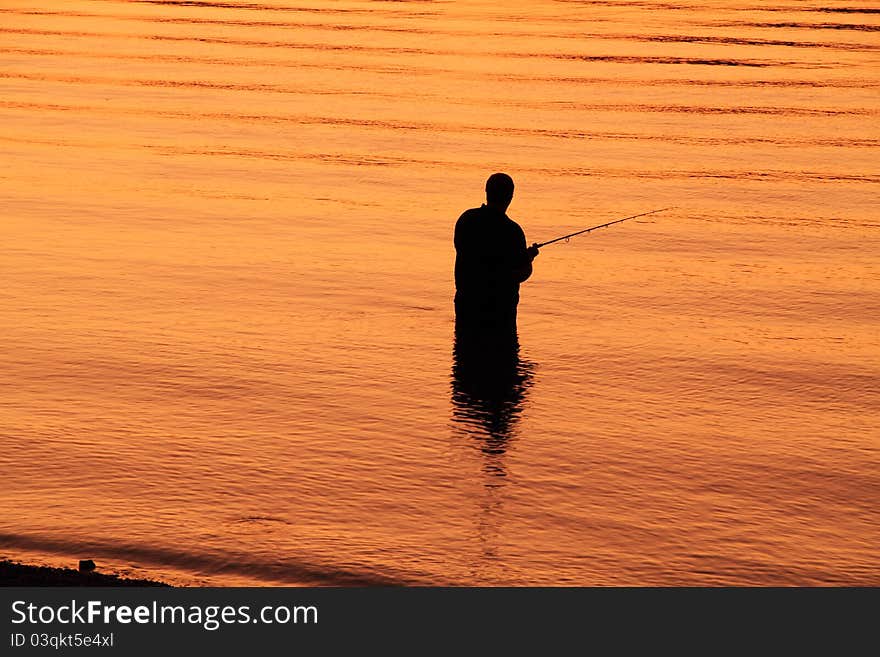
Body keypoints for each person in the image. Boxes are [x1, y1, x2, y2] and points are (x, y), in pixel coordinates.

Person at [454, 173, 539, 331]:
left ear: (486, 191)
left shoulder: (466, 220)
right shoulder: (512, 231)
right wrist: (528, 258)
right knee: (502, 353)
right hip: (500, 310)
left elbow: (463, 250)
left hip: (466, 302)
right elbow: (520, 274)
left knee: (465, 352)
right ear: (510, 197)